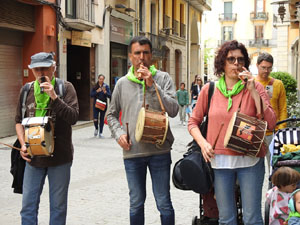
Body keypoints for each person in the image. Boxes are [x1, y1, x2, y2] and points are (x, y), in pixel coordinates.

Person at [188, 40, 276, 225]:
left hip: (250, 160)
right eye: (231, 59)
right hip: (220, 163)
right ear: (222, 63)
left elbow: (271, 122)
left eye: (240, 59)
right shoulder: (209, 90)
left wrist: (253, 91)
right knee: (226, 219)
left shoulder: (256, 87)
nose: (236, 63)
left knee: (252, 218)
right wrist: (203, 144)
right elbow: (193, 122)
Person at [107, 36, 179, 225]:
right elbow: (111, 114)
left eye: (145, 53)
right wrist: (119, 134)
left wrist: (152, 85)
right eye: (137, 53)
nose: (141, 57)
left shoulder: (163, 78)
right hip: (133, 152)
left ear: (151, 56)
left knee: (164, 203)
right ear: (130, 56)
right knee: (136, 203)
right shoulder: (122, 83)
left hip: (160, 151)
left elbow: (173, 110)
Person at [15, 52, 79, 225]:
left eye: (45, 68)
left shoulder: (65, 88)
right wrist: (22, 144)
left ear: (54, 68)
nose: (41, 73)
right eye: (37, 69)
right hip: (33, 158)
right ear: (32, 70)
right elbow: (18, 122)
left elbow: (73, 118)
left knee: (58, 207)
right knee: (28, 206)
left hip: (60, 158)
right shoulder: (26, 90)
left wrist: (54, 98)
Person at [255, 52, 288, 168]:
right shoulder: (251, 84)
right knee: (255, 167)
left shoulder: (278, 84)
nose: (266, 71)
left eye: (269, 68)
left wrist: (281, 129)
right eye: (263, 67)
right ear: (257, 65)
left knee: (274, 166)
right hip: (255, 132)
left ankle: (272, 186)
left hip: (273, 133)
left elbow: (283, 108)